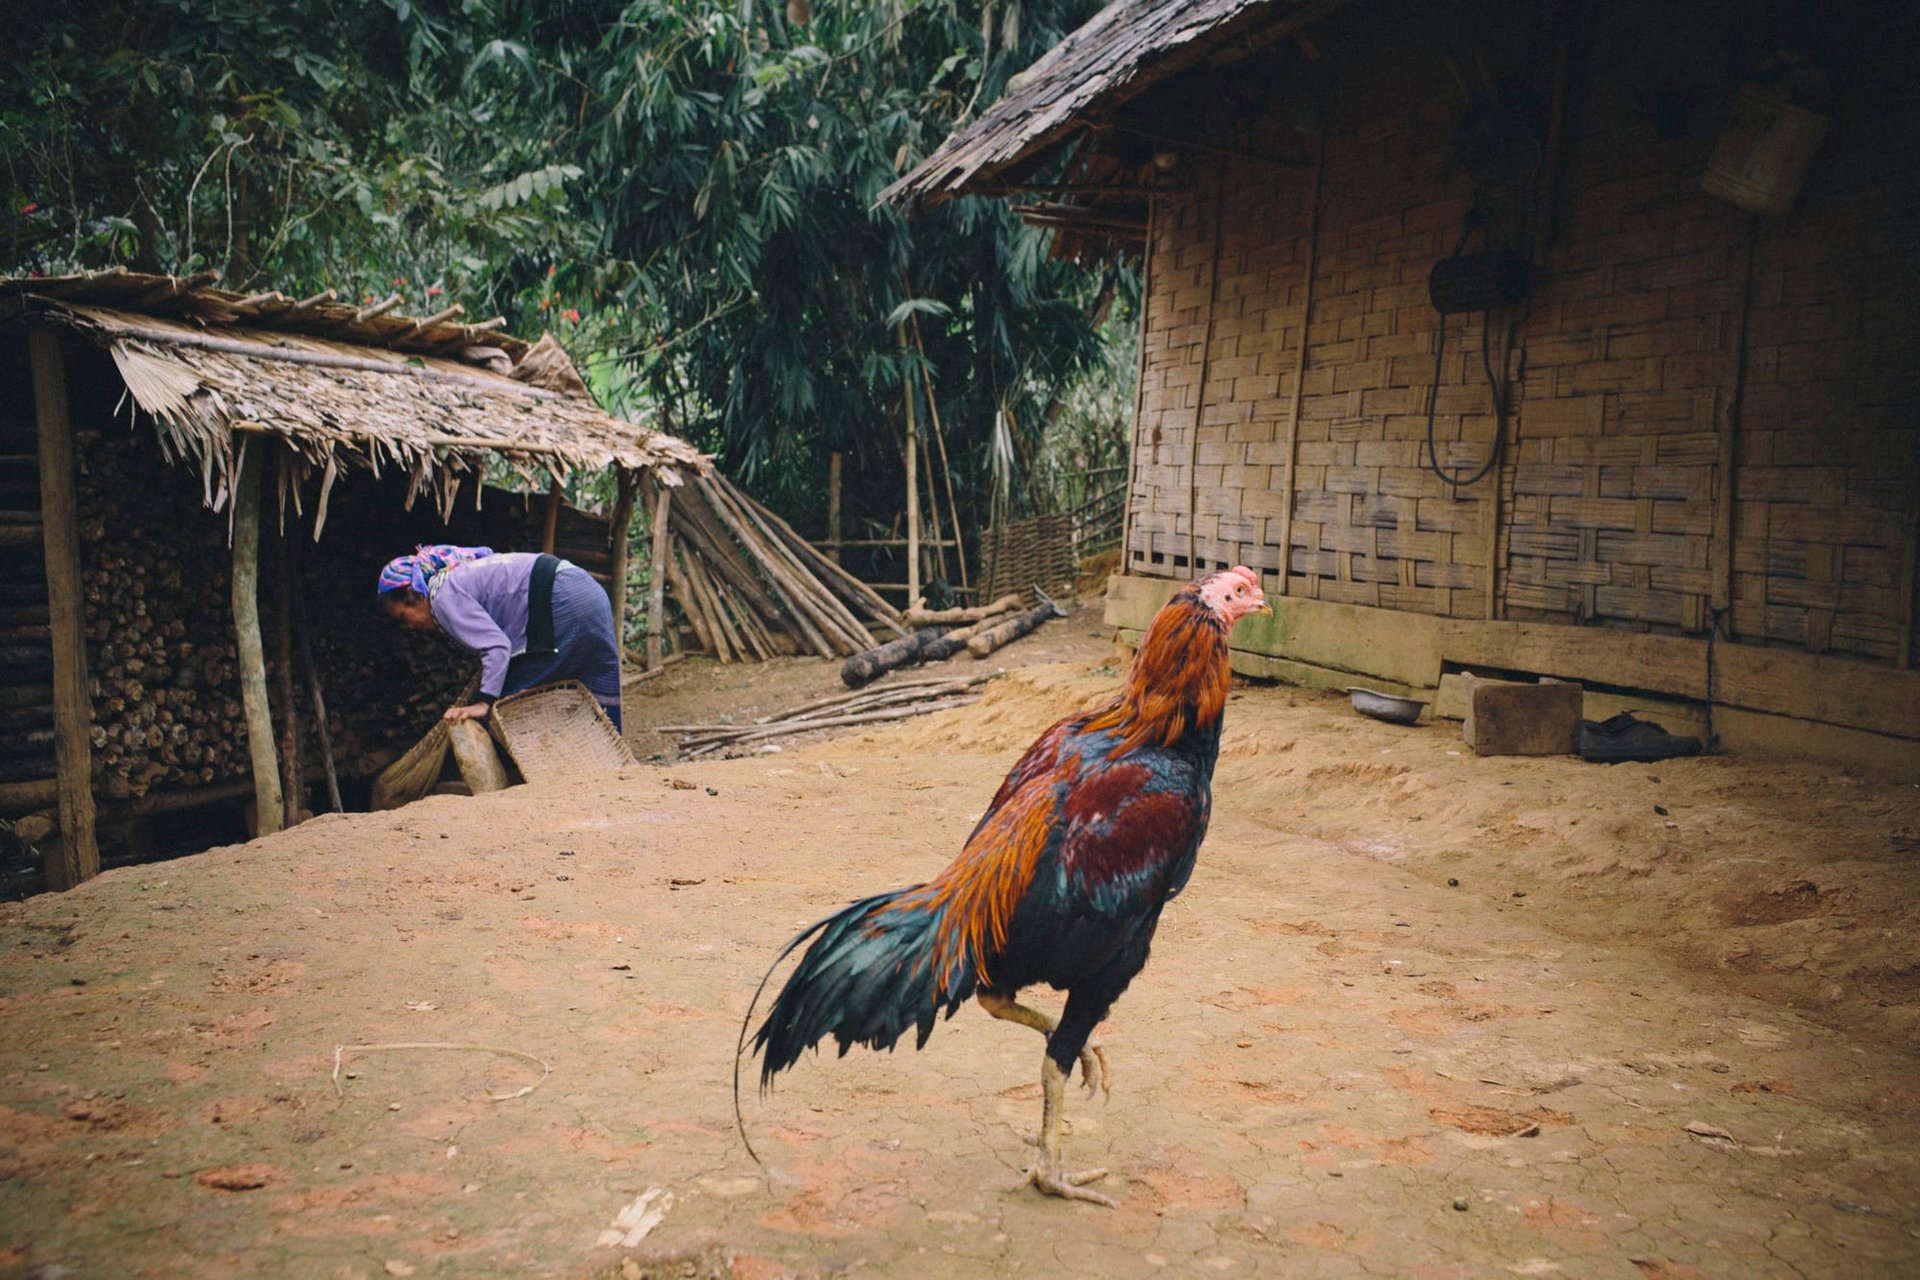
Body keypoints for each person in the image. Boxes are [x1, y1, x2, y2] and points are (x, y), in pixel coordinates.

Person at [378, 543, 623, 730]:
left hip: (561, 600)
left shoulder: (442, 598)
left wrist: (483, 703)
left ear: (412, 596)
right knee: (597, 687)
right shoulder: (458, 578)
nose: (408, 626)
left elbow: (497, 647)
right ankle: (612, 768)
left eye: (403, 617)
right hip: (587, 588)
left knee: (509, 704)